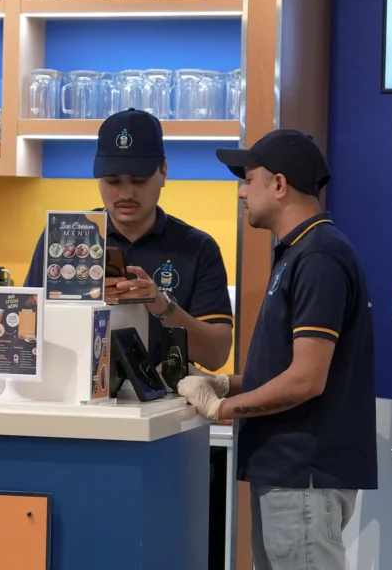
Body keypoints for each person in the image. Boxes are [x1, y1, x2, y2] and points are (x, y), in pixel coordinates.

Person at [175, 129, 379, 570]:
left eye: (249, 177)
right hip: (288, 474)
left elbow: (308, 378)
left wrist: (225, 406)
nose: (242, 190)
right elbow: (281, 368)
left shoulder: (319, 256)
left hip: (307, 475)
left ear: (280, 184)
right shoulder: (301, 254)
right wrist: (227, 381)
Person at [22, 110, 235, 375]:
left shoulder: (198, 248)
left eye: (138, 180)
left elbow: (216, 355)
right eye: (112, 181)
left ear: (163, 171)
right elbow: (25, 328)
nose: (125, 193)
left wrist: (161, 305)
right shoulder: (62, 239)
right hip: (73, 390)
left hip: (167, 398)